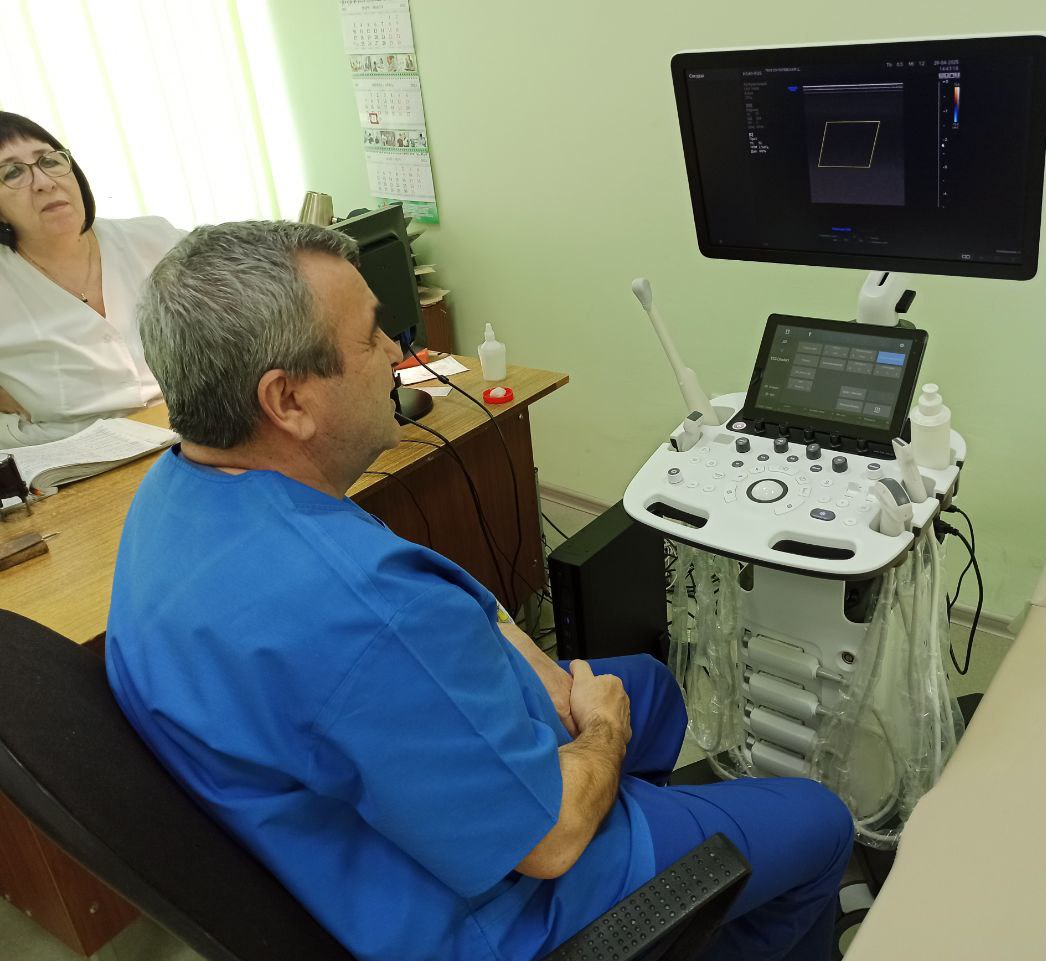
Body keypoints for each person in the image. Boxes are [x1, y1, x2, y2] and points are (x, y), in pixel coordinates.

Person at [106, 221, 854, 961]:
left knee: (652, 687)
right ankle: (642, 897)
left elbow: (442, 612)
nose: (397, 353)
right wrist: (600, 734)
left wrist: (542, 671)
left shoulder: (180, 492)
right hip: (500, 913)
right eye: (371, 337)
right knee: (820, 823)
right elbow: (552, 839)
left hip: (371, 791)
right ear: (288, 400)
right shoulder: (361, 615)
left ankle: (667, 890)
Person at [0, 112, 186, 447]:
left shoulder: (156, 239)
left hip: (194, 428)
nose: (44, 182)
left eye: (49, 161)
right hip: (72, 454)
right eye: (12, 172)